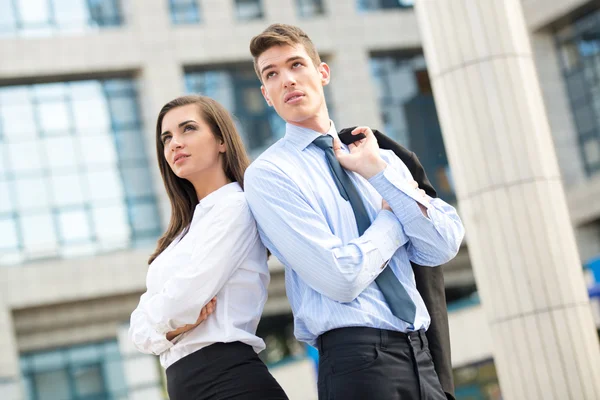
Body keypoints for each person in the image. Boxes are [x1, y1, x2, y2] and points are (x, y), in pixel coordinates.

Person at [244, 24, 465, 400]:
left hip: (421, 356)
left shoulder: (379, 157)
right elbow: (340, 278)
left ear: (322, 73)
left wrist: (378, 175)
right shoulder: (269, 175)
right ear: (266, 95)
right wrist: (393, 217)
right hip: (357, 363)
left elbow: (442, 244)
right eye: (272, 74)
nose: (287, 80)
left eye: (297, 65)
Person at [128, 95, 288, 400]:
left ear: (221, 141)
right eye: (167, 138)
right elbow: (137, 330)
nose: (174, 143)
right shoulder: (179, 237)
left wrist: (160, 323)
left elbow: (187, 296)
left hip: (230, 381)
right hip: (187, 386)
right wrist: (172, 328)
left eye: (188, 129)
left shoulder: (236, 207)